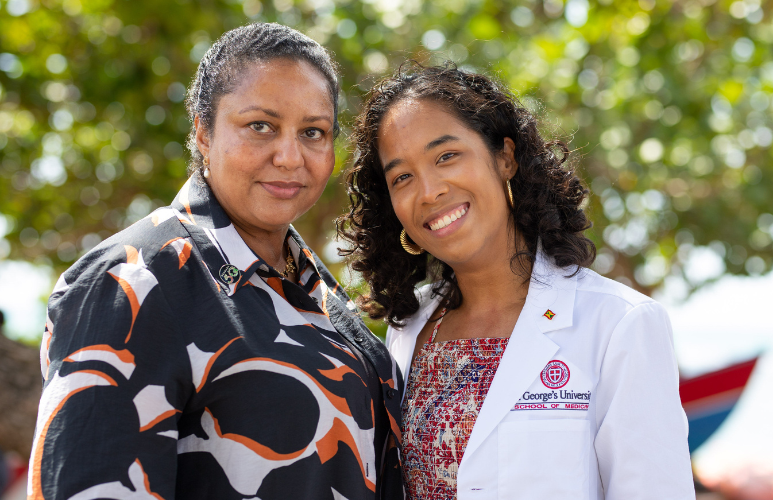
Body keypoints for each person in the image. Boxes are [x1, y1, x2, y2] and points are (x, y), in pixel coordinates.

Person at [29, 23, 403, 500]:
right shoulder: (132, 279)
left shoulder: (317, 288)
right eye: (260, 126)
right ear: (203, 132)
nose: (290, 157)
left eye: (313, 132)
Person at [338, 64, 695, 499]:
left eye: (446, 156)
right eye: (402, 177)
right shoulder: (408, 329)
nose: (429, 191)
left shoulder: (619, 324)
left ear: (505, 157)